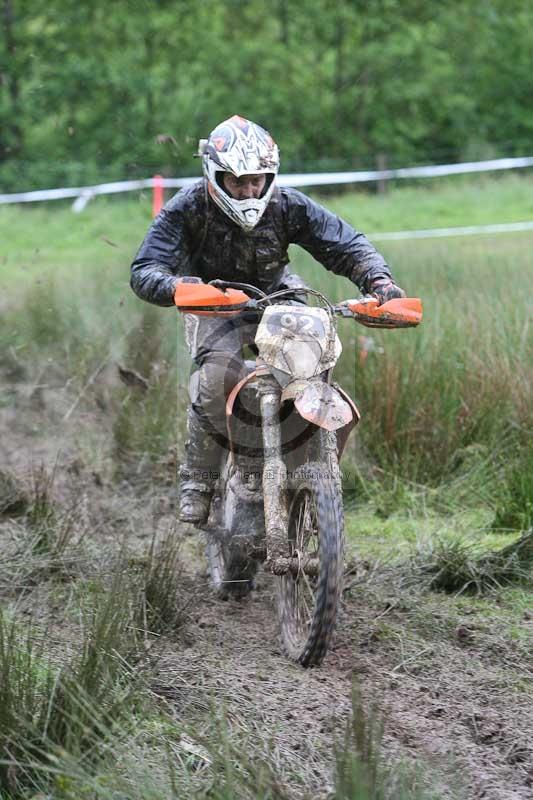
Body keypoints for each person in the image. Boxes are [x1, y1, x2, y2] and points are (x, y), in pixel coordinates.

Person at [130, 115, 405, 523]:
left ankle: (309, 453)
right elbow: (145, 269)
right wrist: (181, 287)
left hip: (278, 293)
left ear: (270, 175)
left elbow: (345, 243)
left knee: (313, 358)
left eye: (257, 180)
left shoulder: (287, 204)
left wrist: (379, 281)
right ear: (215, 175)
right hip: (211, 301)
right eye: (238, 181)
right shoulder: (186, 208)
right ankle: (199, 477)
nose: (248, 190)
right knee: (215, 375)